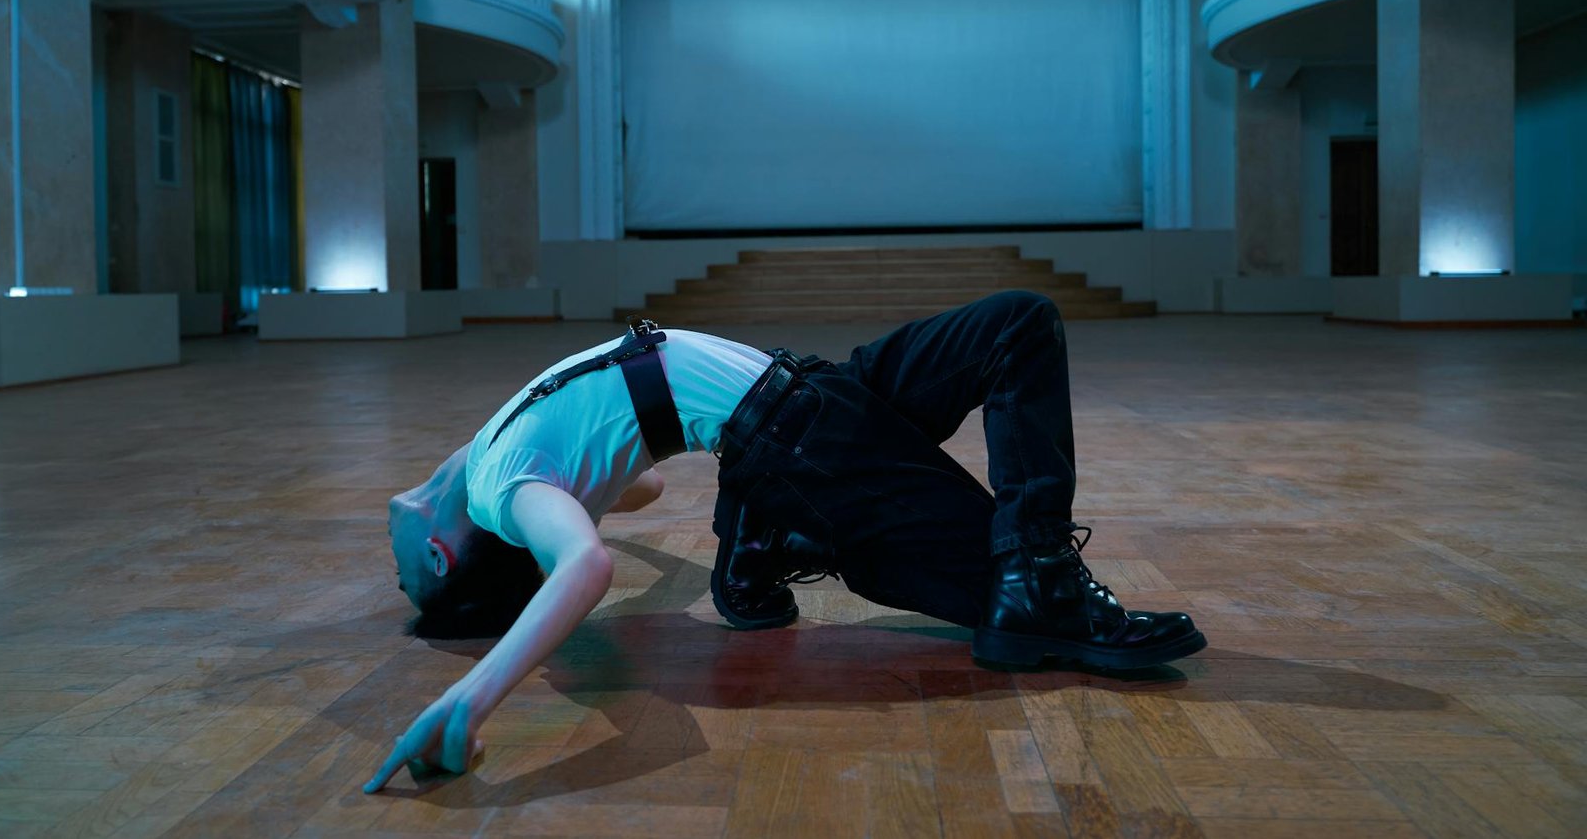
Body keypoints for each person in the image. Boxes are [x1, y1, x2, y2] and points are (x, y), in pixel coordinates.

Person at [365, 291, 1205, 793]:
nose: (393, 563)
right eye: (410, 579)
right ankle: (1032, 582)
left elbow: (640, 487)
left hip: (815, 393)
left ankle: (764, 532)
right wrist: (469, 697)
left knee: (1017, 325)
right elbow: (585, 564)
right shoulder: (504, 487)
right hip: (804, 442)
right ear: (441, 553)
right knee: (1002, 593)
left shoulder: (495, 458)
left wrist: (601, 501)